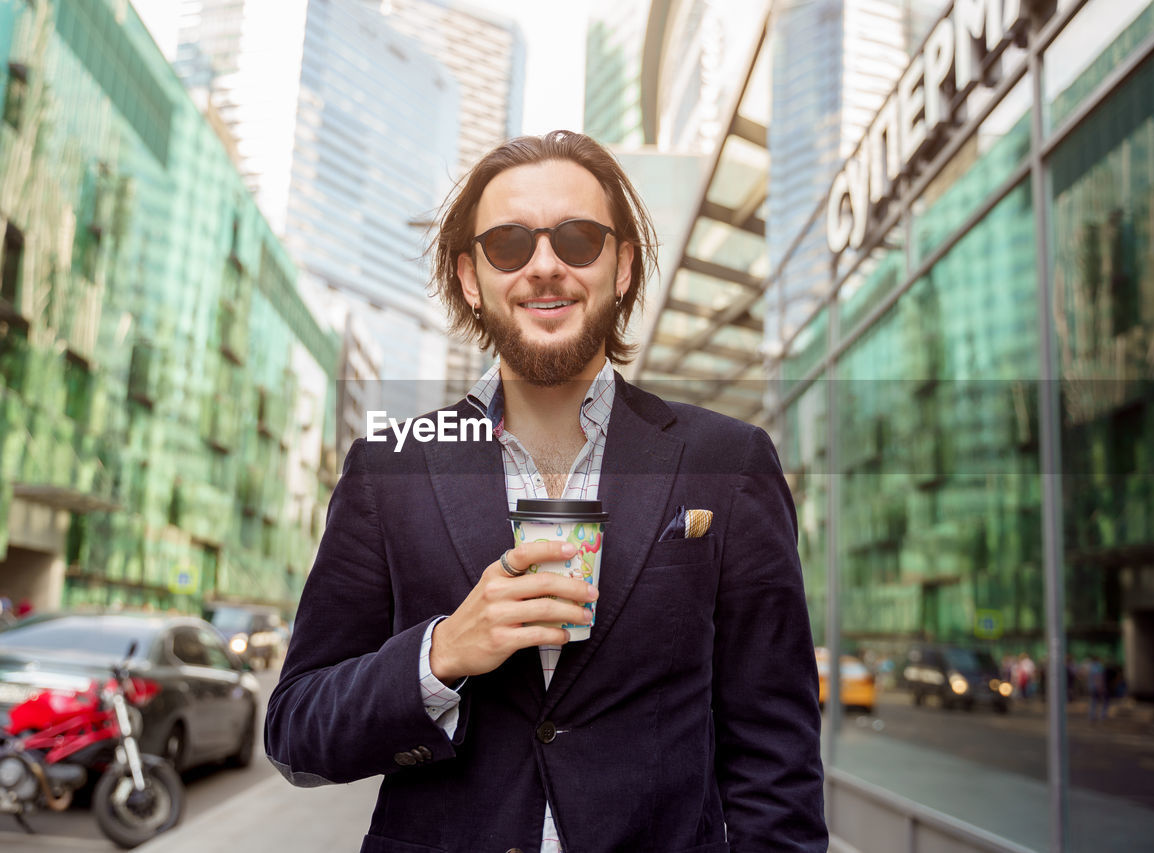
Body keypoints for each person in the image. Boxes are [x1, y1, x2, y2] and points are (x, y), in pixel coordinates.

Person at [265, 131, 827, 852]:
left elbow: (775, 760)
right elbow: (296, 731)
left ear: (622, 266)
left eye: (578, 238)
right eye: (508, 245)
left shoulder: (730, 462)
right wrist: (438, 655)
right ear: (470, 278)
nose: (545, 266)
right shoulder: (388, 467)